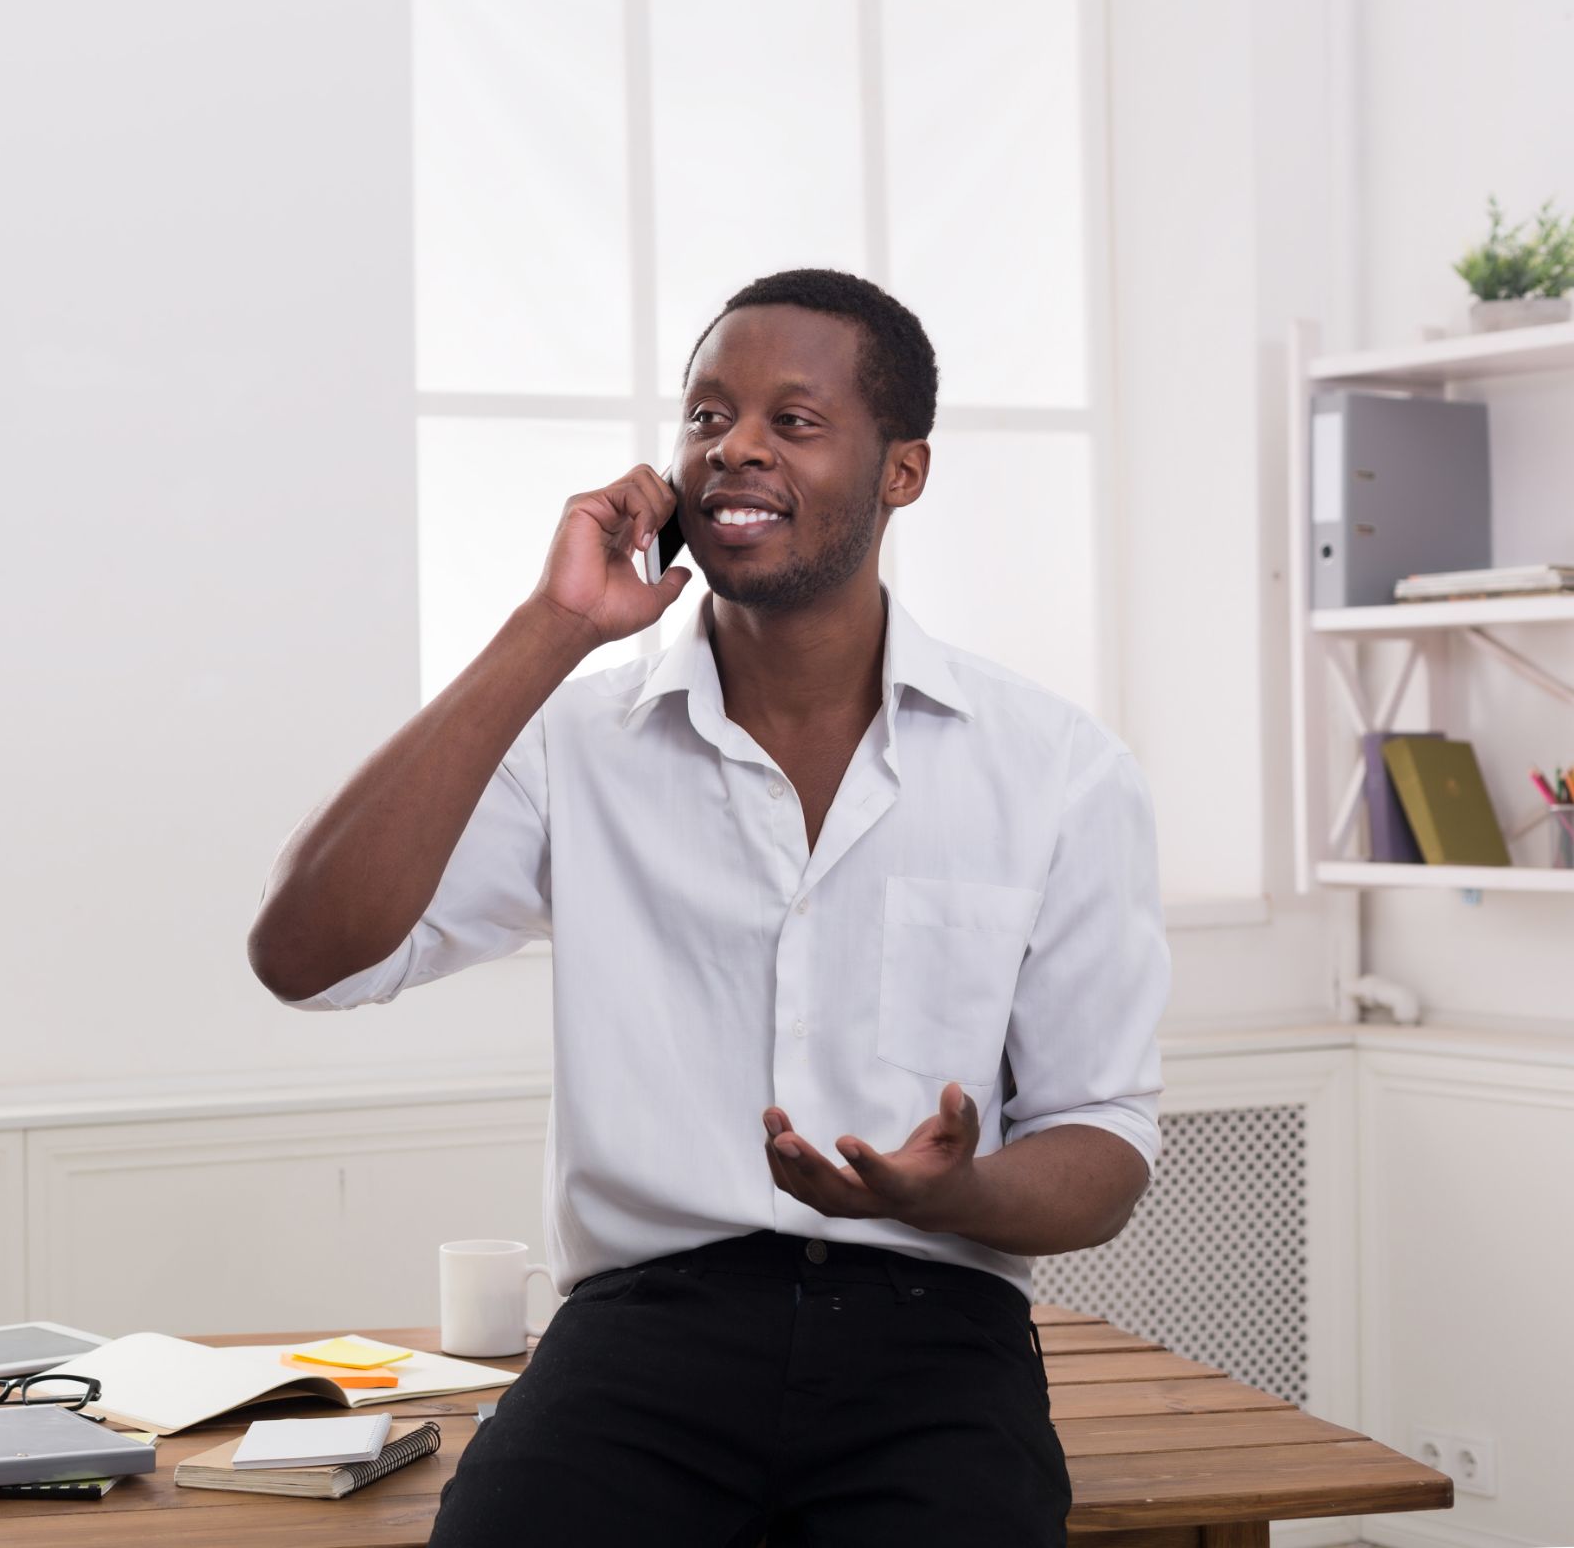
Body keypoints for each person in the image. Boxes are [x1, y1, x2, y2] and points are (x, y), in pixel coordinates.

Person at [246, 268, 1167, 1545]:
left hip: (933, 1345)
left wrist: (934, 1196)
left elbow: (1100, 1149)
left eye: (794, 420)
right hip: (642, 1342)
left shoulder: (1056, 768)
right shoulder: (574, 738)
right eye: (706, 414)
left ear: (903, 472)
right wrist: (550, 628)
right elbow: (304, 953)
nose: (732, 445)